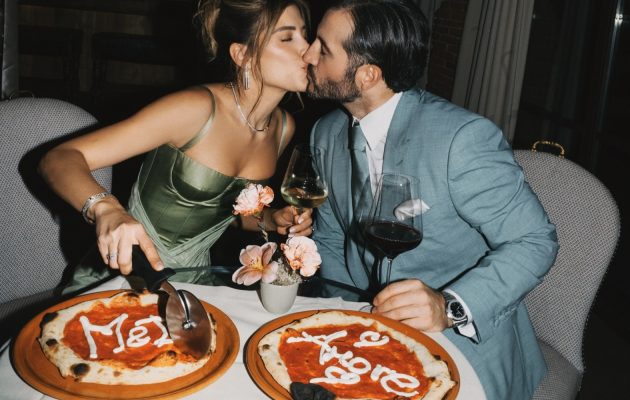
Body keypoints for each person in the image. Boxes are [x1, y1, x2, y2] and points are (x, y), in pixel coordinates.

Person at [303, 1, 559, 399]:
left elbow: (535, 240)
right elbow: (332, 238)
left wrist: (449, 306)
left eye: (323, 47)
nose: (307, 55)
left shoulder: (460, 139)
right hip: (367, 333)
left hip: (461, 341)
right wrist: (348, 317)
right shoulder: (326, 133)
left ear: (367, 75)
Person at [39, 0, 314, 294]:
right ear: (242, 55)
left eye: (305, 35)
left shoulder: (283, 128)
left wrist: (271, 219)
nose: (309, 50)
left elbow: (223, 208)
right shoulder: (194, 110)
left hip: (193, 284)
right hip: (125, 277)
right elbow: (59, 159)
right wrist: (106, 209)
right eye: (287, 38)